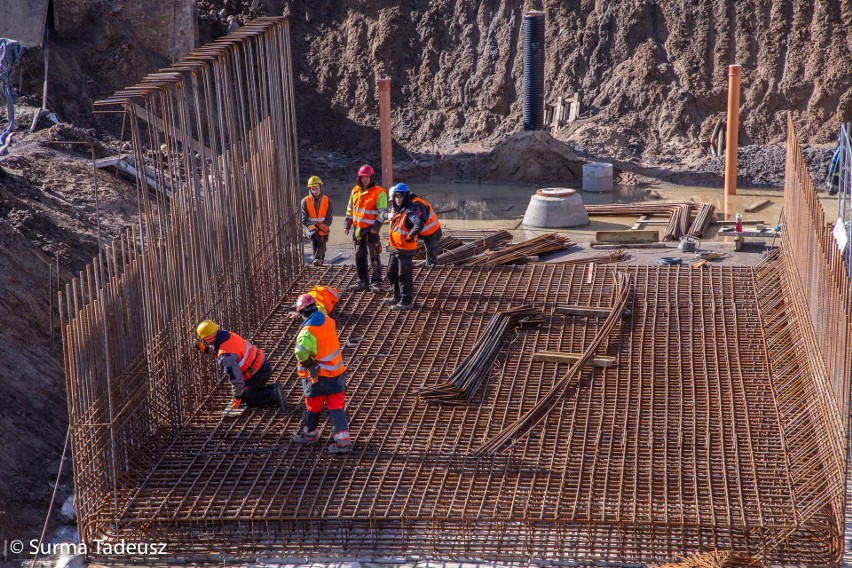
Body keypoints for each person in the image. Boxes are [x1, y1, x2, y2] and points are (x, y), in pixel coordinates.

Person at [290, 294, 352, 454]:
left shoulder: (307, 333)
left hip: (317, 377)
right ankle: (343, 442)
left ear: (302, 312)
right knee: (336, 408)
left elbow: (300, 352)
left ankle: (310, 435)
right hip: (337, 373)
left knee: (313, 407)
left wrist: (310, 365)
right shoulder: (328, 321)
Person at [195, 320, 285, 415]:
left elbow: (236, 379)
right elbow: (223, 348)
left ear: (207, 339)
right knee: (245, 390)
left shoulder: (226, 357)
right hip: (262, 364)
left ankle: (273, 393)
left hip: (257, 373)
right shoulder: (227, 335)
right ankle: (269, 390)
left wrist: (238, 397)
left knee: (246, 397)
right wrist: (206, 350)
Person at [344, 164, 387, 293]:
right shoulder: (355, 191)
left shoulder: (379, 193)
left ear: (371, 177)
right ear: (360, 178)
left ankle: (376, 283)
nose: (365, 179)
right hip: (357, 231)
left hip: (371, 231)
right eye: (363, 177)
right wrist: (347, 224)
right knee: (359, 257)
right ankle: (363, 282)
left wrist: (375, 229)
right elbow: (350, 209)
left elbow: (382, 214)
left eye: (367, 177)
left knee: (374, 256)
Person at [383, 183, 423, 310]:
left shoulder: (410, 212)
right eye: (396, 197)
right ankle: (397, 296)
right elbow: (382, 214)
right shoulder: (395, 209)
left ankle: (406, 301)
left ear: (405, 197)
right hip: (394, 248)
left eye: (400, 197)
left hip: (405, 249)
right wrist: (386, 215)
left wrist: (410, 236)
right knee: (391, 272)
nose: (398, 199)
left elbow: (418, 224)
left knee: (404, 275)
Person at [301, 175, 333, 266]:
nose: (315, 191)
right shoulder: (305, 201)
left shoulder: (327, 201)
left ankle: (320, 259)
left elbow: (329, 218)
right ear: (310, 189)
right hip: (309, 228)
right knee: (314, 234)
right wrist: (315, 225)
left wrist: (323, 226)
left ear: (320, 187)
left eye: (317, 189)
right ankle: (317, 258)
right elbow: (304, 220)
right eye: (313, 189)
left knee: (320, 239)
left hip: (323, 227)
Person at [409, 188, 442, 266]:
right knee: (429, 251)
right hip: (425, 231)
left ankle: (432, 270)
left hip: (433, 232)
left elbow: (420, 223)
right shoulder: (412, 203)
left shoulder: (417, 204)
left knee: (431, 253)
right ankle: (429, 266)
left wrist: (412, 236)